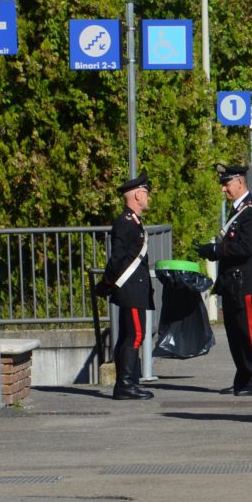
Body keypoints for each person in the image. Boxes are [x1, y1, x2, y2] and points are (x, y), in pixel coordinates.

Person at [194, 164, 252, 396]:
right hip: (232, 283)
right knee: (235, 334)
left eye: (226, 184)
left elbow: (247, 248)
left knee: (249, 332)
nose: (223, 189)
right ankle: (243, 378)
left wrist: (216, 250)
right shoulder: (237, 211)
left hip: (246, 282)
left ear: (239, 182)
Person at [97, 171, 155, 401]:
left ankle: (127, 383)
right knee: (135, 335)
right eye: (146, 193)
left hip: (134, 288)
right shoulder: (125, 223)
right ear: (138, 195)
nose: (148, 198)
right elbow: (118, 259)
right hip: (130, 289)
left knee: (128, 335)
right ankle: (125, 384)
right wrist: (106, 282)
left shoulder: (133, 221)